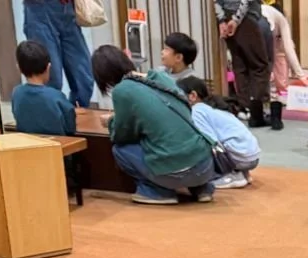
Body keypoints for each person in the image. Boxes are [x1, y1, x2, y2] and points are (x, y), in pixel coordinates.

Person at [92, 46, 216, 206]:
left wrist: (110, 122)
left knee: (120, 150)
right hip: (205, 164)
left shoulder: (122, 90)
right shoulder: (161, 77)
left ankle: (158, 192)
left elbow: (122, 134)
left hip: (174, 172)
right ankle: (202, 188)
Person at [179, 75, 261, 188]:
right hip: (251, 156)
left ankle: (226, 176)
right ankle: (240, 172)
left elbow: (210, 141)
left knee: (200, 149)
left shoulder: (197, 111)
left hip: (240, 157)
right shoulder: (213, 106)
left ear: (193, 96)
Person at [22, 0, 94, 107]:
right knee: (51, 79)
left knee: (84, 80)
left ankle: (71, 114)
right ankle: (52, 115)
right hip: (39, 9)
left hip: (67, 8)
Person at [216, 0, 273, 128]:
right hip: (245, 16)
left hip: (226, 15)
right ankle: (257, 110)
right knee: (259, 65)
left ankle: (244, 107)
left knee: (240, 65)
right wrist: (236, 20)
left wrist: (221, 20)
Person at [12, 39, 76, 136]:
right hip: (57, 144)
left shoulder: (16, 93)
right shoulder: (57, 96)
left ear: (19, 68)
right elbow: (70, 127)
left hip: (27, 143)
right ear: (48, 67)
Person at [262, 1, 304, 131]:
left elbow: (288, 48)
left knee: (273, 83)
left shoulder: (265, 15)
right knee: (275, 85)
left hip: (272, 54)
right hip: (270, 54)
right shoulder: (279, 19)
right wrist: (301, 75)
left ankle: (258, 116)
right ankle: (274, 118)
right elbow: (289, 48)